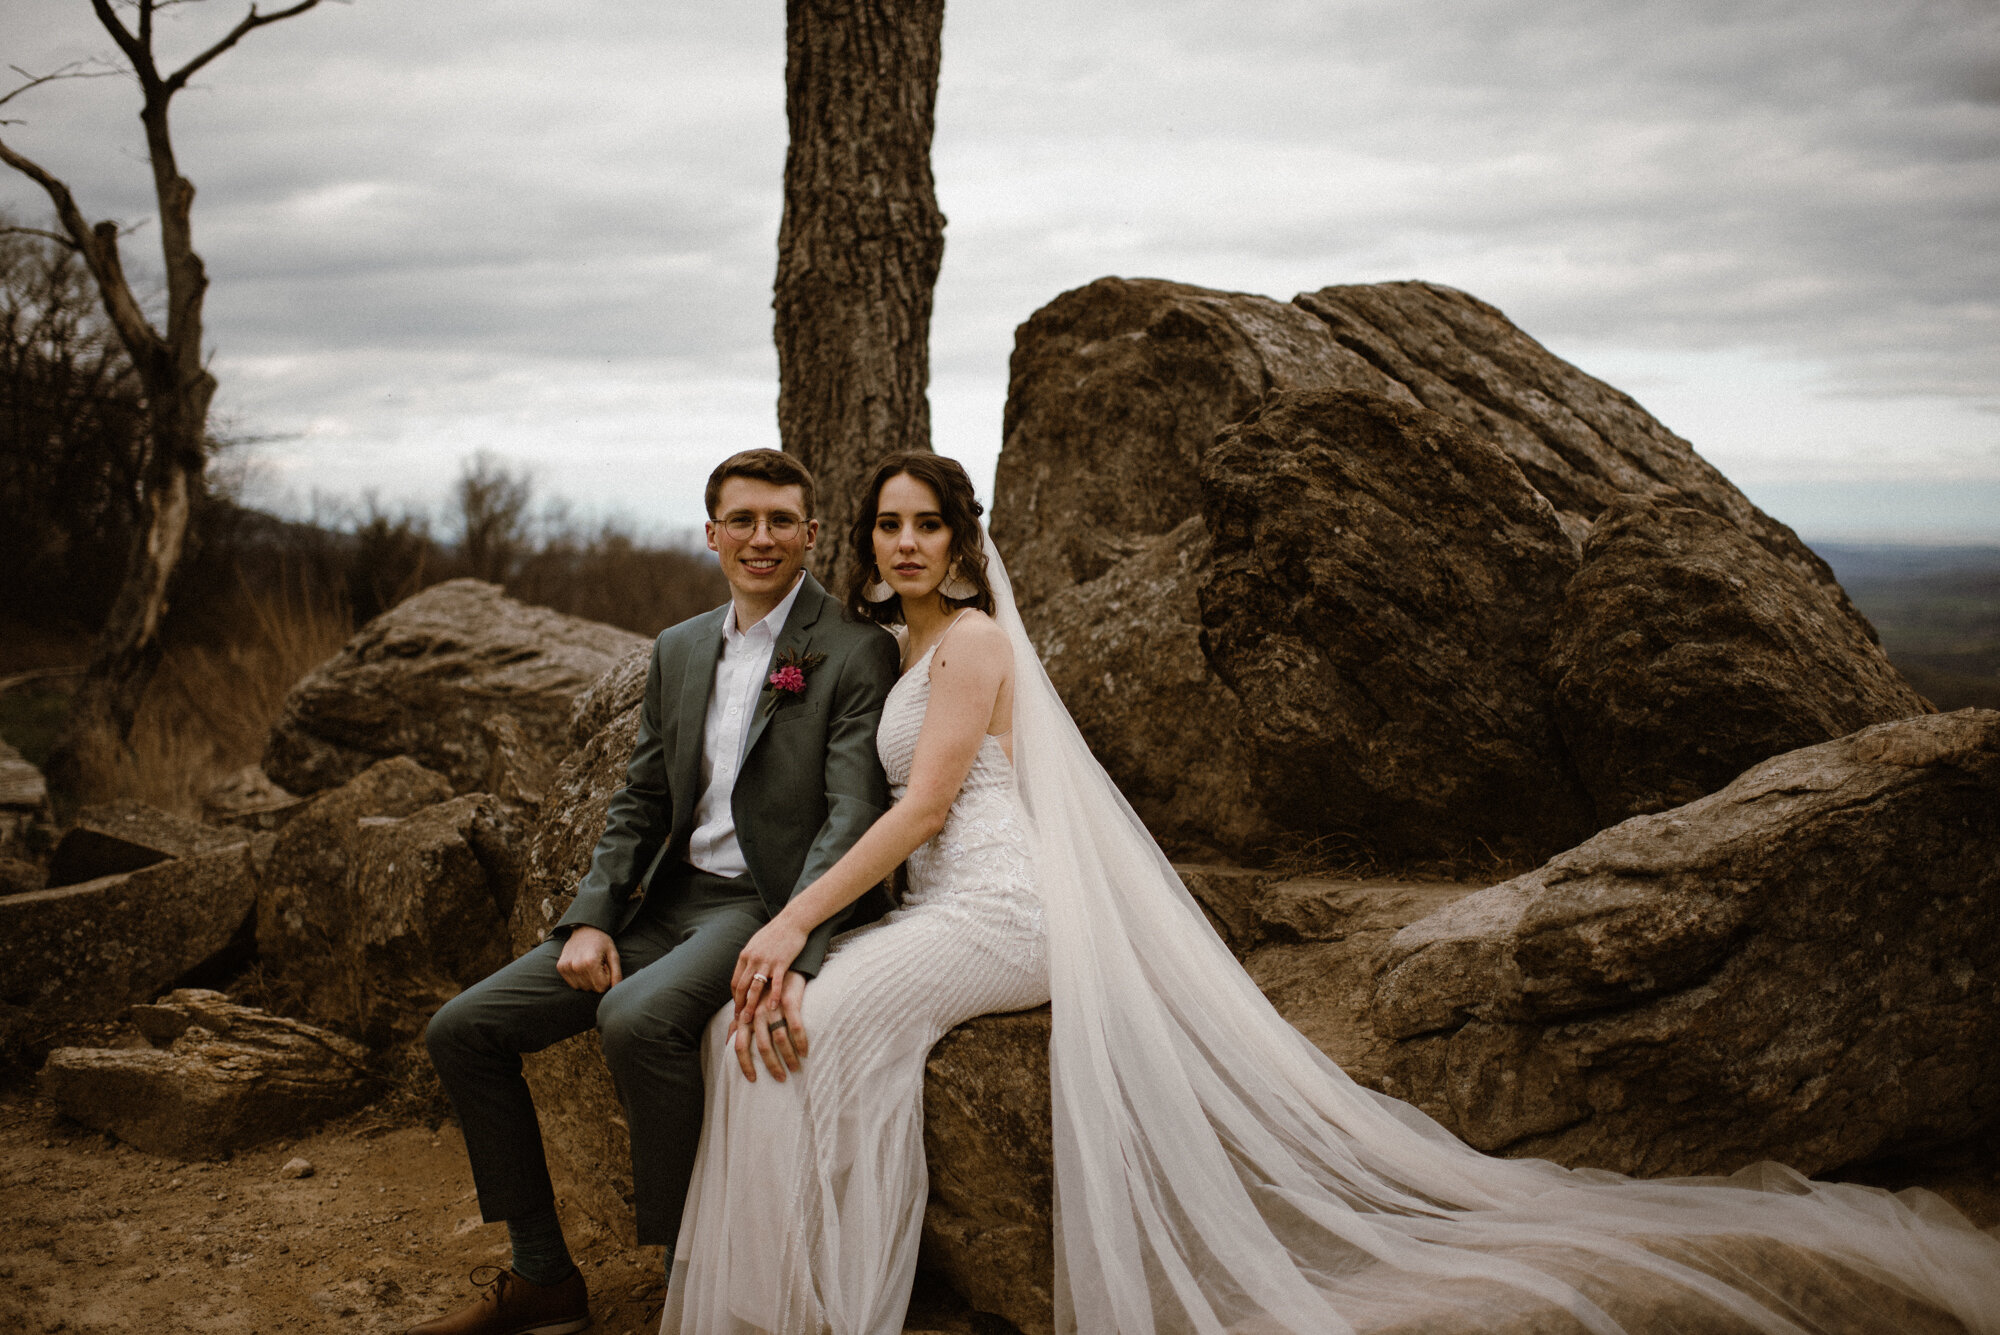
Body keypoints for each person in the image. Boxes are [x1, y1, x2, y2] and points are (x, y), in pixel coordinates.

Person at [663, 450, 2000, 1335]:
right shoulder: (906, 643)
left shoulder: (977, 644)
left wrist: (785, 927)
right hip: (948, 912)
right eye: (888, 523)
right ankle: (805, 1291)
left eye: (925, 523)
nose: (903, 541)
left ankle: (816, 1305)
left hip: (1009, 915)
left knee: (801, 1030)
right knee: (764, 1036)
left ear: (963, 537)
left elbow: (925, 810)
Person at [410, 449, 900, 1335]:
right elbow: (638, 797)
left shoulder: (855, 649)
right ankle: (543, 1276)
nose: (762, 537)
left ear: (812, 535)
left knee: (635, 1019)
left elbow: (854, 809)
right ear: (711, 533)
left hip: (763, 903)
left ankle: (691, 1275)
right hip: (661, 905)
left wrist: (796, 932)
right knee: (465, 1029)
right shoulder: (678, 648)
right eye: (742, 520)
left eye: (781, 520)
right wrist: (592, 916)